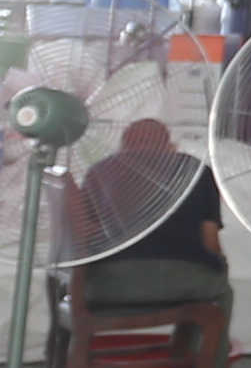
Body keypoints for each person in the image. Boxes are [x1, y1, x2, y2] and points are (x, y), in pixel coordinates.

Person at [65, 116, 224, 311]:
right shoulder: (196, 171)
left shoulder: (98, 171)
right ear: (169, 145)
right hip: (183, 279)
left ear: (123, 145)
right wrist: (219, 265)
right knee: (221, 292)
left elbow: (84, 237)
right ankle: (199, 331)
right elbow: (211, 241)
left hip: (108, 284)